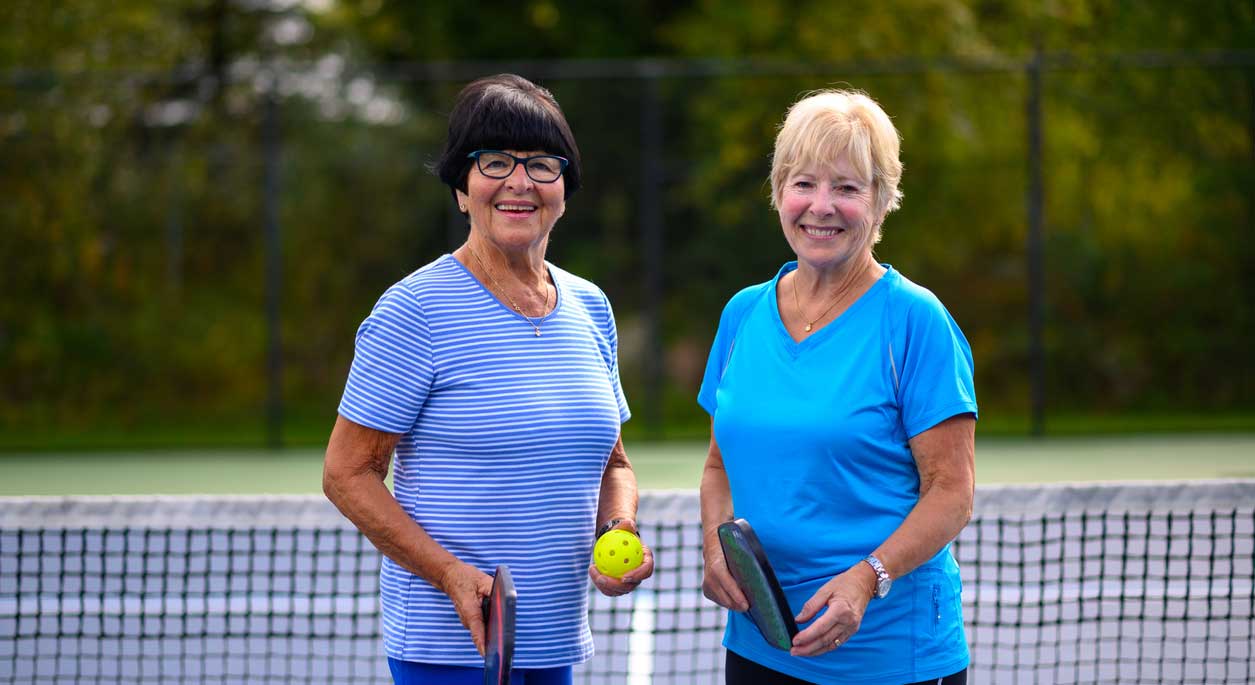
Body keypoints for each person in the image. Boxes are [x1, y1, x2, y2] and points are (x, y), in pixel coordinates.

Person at [323, 73, 653, 685]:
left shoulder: (591, 307)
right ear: (461, 188)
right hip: (448, 649)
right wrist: (451, 574)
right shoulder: (413, 311)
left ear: (564, 189)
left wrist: (618, 526)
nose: (519, 182)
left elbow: (614, 464)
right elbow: (347, 474)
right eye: (494, 161)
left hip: (553, 641)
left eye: (542, 165)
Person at [697, 89, 977, 685]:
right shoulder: (742, 314)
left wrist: (867, 576)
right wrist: (715, 543)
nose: (820, 206)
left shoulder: (916, 322)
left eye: (847, 188)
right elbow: (720, 467)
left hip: (889, 658)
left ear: (880, 202)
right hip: (759, 646)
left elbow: (951, 493)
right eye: (804, 184)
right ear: (778, 192)